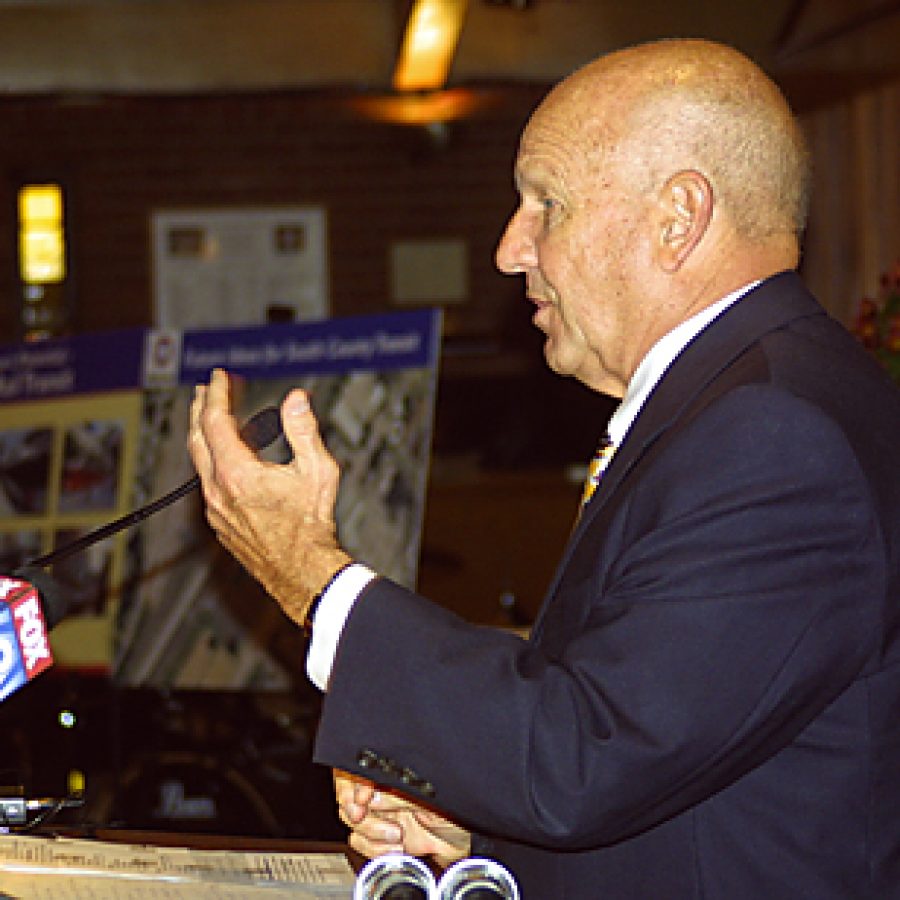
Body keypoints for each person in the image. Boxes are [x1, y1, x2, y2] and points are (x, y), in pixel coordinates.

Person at [188, 37, 900, 899]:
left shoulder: (774, 431)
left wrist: (310, 573)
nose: (508, 249)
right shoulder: (751, 399)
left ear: (679, 218)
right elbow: (662, 751)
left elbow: (584, 755)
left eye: (544, 203)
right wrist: (472, 817)